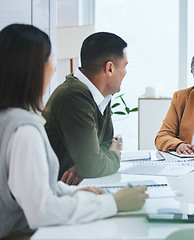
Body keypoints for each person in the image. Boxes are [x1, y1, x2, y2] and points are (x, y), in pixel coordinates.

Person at [0, 24, 148, 239]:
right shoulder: (24, 130)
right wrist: (112, 203)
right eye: (50, 60)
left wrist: (76, 191)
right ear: (32, 68)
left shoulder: (11, 119)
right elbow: (41, 211)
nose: (53, 69)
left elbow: (36, 189)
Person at [43, 32, 128, 185]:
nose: (126, 73)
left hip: (77, 188)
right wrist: (113, 156)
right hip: (54, 194)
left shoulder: (102, 96)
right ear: (110, 68)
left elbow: (105, 143)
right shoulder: (74, 97)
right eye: (124, 66)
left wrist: (85, 166)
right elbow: (94, 163)